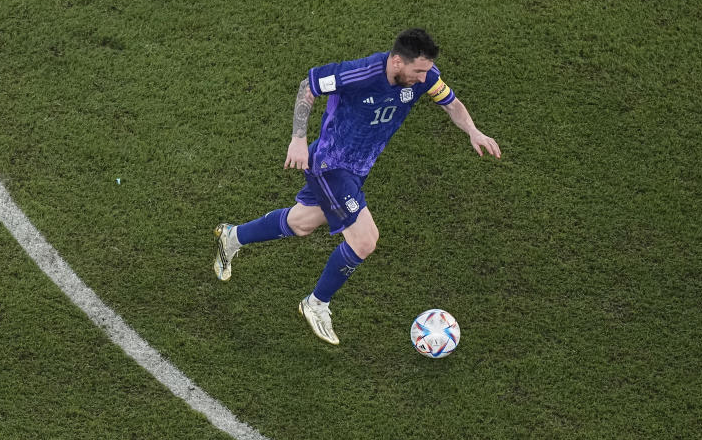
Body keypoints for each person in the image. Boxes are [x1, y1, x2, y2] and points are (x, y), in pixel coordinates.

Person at [214, 28, 500, 345]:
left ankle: (232, 237)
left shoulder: (424, 77)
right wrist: (298, 138)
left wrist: (473, 131)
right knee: (365, 240)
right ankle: (316, 303)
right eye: (418, 71)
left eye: (426, 71)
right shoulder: (360, 73)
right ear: (396, 62)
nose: (423, 78)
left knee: (302, 223)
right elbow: (308, 86)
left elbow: (451, 103)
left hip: (357, 170)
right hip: (329, 165)